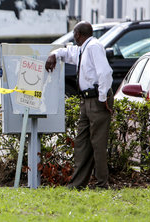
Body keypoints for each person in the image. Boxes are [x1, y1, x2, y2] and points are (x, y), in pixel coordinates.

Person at [45, 21, 113, 189]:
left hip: (97, 99)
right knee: (82, 142)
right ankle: (77, 184)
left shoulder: (94, 47)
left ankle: (102, 184)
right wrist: (54, 54)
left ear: (77, 35)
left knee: (98, 143)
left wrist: (103, 97)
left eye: (74, 34)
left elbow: (105, 72)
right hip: (86, 100)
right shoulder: (84, 48)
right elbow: (69, 53)